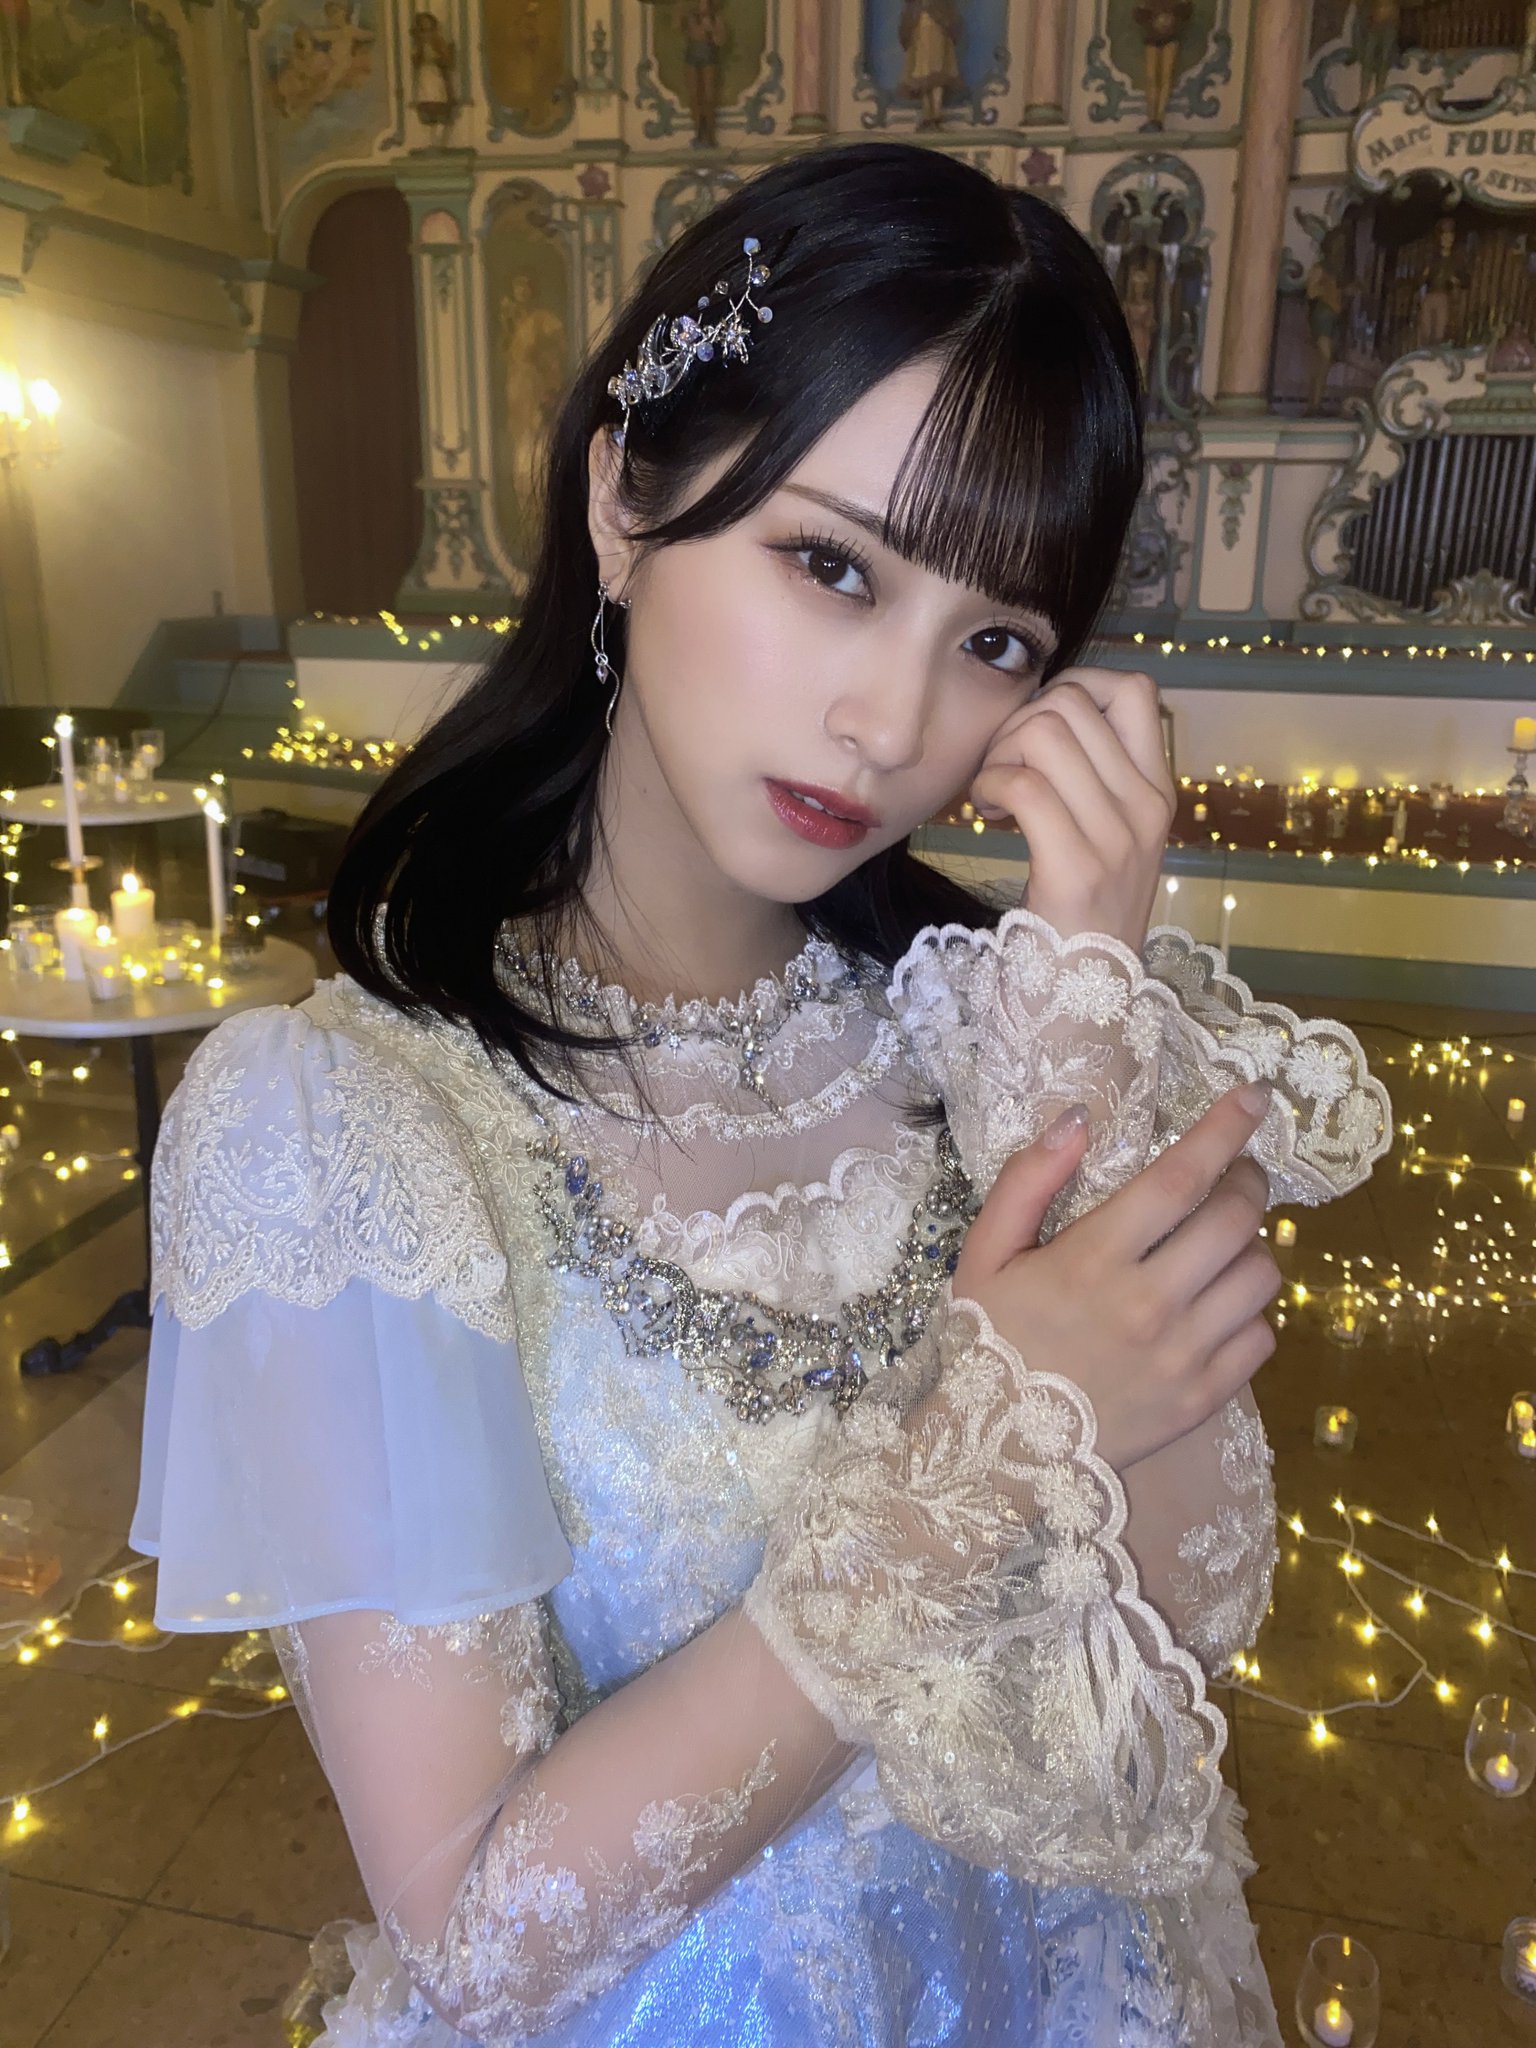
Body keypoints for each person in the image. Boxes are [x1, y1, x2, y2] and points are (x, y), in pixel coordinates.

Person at [130, 141, 1390, 2045]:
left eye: (994, 643)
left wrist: (1080, 1022)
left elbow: (1188, 1622)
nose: (894, 724)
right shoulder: (347, 1127)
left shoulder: (1003, 1033)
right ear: (622, 502)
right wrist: (973, 1465)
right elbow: (477, 1932)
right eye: (833, 566)